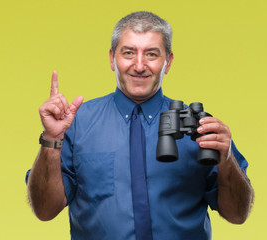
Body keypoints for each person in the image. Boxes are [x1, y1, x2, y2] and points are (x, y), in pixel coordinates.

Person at [26, 11, 254, 240]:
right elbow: (45, 210)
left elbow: (237, 215)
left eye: (152, 54)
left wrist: (226, 161)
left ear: (168, 62)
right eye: (128, 53)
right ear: (112, 58)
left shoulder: (200, 126)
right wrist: (51, 140)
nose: (139, 65)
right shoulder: (76, 124)